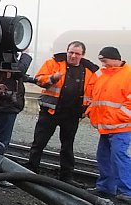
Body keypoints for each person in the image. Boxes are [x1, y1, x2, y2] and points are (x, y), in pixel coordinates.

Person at [26, 41, 99, 183]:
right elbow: (39, 79)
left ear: (82, 55)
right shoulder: (53, 63)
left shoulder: (90, 71)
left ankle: (66, 177)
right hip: (50, 111)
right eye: (70, 52)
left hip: (71, 115)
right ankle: (31, 171)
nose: (73, 56)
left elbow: (94, 94)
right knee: (39, 143)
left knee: (67, 147)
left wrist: (87, 111)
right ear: (67, 51)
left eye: (77, 53)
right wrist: (52, 78)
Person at [86, 47, 131, 203]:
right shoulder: (103, 75)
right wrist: (91, 111)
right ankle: (106, 188)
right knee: (104, 156)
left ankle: (126, 191)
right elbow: (95, 97)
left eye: (104, 61)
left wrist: (116, 117)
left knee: (118, 156)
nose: (103, 65)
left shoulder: (128, 75)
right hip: (106, 126)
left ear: (114, 59)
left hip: (122, 127)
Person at [0, 50, 33, 155]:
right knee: (1, 140)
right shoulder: (6, 57)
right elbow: (19, 71)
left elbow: (16, 75)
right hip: (7, 103)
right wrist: (26, 55)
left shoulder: (0, 55)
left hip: (3, 101)